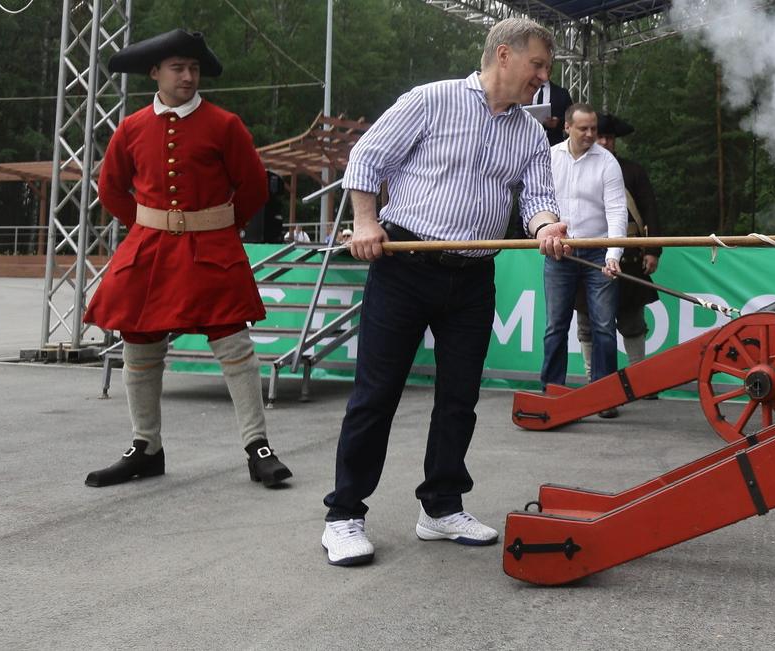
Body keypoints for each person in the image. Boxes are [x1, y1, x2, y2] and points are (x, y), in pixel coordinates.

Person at [321, 16, 570, 567]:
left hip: (475, 274)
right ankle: (343, 515)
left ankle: (441, 507)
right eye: (538, 66)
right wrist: (367, 222)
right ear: (503, 55)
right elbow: (366, 158)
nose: (543, 78)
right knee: (376, 394)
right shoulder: (430, 101)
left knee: (459, 398)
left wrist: (547, 226)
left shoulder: (531, 132)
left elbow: (535, 198)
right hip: (406, 266)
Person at [82, 29, 292, 490]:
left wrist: (216, 226)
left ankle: (258, 447)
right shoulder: (132, 127)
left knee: (233, 344)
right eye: (178, 68)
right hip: (151, 250)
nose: (188, 76)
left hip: (211, 249)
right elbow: (111, 189)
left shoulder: (224, 124)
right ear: (155, 73)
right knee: (139, 343)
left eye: (194, 68)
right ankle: (145, 447)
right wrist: (148, 224)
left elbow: (254, 187)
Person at [542, 104, 627, 418]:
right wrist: (546, 235)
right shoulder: (549, 157)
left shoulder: (608, 162)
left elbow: (617, 211)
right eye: (584, 129)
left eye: (593, 128)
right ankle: (551, 393)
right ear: (567, 128)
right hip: (558, 251)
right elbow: (539, 203)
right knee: (555, 326)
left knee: (604, 325)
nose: (591, 134)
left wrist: (613, 255)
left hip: (598, 249)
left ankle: (605, 397)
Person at [576, 114, 660, 383]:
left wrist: (652, 250)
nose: (604, 142)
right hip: (588, 255)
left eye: (609, 138)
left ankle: (639, 377)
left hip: (628, 257)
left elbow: (650, 212)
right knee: (588, 324)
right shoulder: (578, 167)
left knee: (632, 321)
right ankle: (594, 379)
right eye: (601, 137)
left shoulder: (633, 171)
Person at [530, 79, 573, 145]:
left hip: (553, 143)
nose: (545, 70)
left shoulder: (562, 93)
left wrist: (558, 122)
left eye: (547, 67)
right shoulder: (524, 90)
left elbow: (571, 117)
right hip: (528, 141)